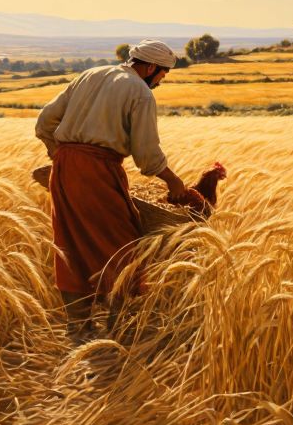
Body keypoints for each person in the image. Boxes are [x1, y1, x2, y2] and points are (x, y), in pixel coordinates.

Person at [35, 39, 195, 338]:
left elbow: (45, 120)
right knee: (122, 246)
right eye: (162, 74)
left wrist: (58, 153)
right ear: (149, 68)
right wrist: (173, 181)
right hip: (98, 171)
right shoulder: (140, 93)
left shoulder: (91, 74)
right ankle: (117, 328)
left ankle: (78, 330)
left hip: (65, 169)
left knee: (69, 245)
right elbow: (146, 154)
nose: (161, 80)